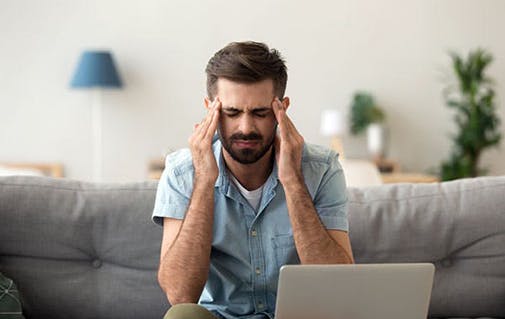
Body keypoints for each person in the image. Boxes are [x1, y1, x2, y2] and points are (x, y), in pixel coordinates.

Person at [152, 41, 354, 319]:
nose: (245, 128)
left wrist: (293, 181)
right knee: (181, 316)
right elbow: (180, 295)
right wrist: (204, 180)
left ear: (281, 109)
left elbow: (338, 286)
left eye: (260, 113)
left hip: (298, 315)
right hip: (221, 316)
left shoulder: (322, 169)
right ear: (210, 108)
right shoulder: (181, 172)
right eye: (232, 113)